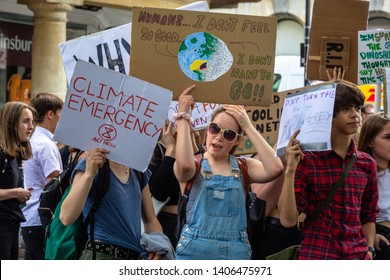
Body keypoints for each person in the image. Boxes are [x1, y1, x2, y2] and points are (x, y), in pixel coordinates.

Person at [173, 85, 283, 260]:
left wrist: (247, 125)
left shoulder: (244, 167)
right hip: (193, 255)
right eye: (215, 129)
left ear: (237, 141)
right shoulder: (194, 164)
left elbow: (275, 168)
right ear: (208, 129)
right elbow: (184, 167)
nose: (219, 137)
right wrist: (183, 117)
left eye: (229, 134)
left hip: (235, 255)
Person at [278, 79, 379, 260]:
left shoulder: (367, 164)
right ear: (327, 114)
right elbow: (287, 220)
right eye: (346, 109)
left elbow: (368, 215)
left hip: (356, 256)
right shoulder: (308, 160)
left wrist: (369, 249)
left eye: (357, 108)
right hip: (318, 254)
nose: (355, 114)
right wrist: (290, 171)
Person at [60, 148, 173, 260]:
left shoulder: (138, 170)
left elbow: (150, 220)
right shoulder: (90, 164)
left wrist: (158, 248)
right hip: (100, 256)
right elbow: (66, 217)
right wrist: (89, 174)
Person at [21, 92, 64, 260]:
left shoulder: (33, 140)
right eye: (61, 113)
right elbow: (55, 184)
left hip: (30, 218)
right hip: (41, 220)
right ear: (50, 114)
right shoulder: (45, 144)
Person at [148, 121, 203, 247]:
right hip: (165, 225)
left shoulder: (198, 152)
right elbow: (159, 193)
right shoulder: (156, 151)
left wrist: (193, 144)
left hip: (194, 226)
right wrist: (171, 150)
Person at [0, 101, 36, 260]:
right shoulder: (2, 154)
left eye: (32, 121)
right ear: (11, 123)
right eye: (26, 121)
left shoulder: (13, 154)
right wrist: (16, 192)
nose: (31, 126)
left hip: (11, 224)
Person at [358, 113, 390, 259]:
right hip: (379, 239)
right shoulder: (358, 173)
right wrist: (370, 237)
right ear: (370, 141)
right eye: (387, 138)